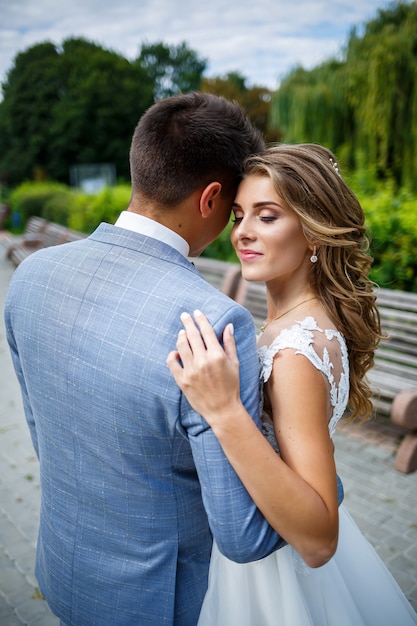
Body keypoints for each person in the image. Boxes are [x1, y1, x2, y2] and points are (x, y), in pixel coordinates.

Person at [4, 92, 288, 626]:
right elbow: (244, 535)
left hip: (64, 572)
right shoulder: (211, 322)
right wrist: (318, 486)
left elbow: (45, 437)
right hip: (158, 603)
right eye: (231, 211)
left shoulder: (32, 277)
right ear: (210, 200)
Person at [167, 143, 417, 625]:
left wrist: (223, 411)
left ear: (314, 233)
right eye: (239, 215)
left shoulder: (295, 350)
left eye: (267, 216)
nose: (242, 233)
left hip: (274, 574)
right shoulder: (298, 323)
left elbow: (320, 538)